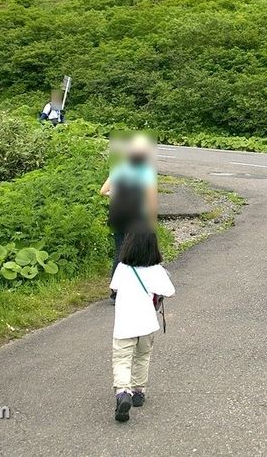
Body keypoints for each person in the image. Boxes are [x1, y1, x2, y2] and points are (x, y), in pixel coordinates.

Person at [109, 228, 174, 422]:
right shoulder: (156, 270)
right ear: (153, 248)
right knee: (142, 357)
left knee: (122, 359)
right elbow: (170, 291)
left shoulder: (122, 267)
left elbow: (114, 287)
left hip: (123, 325)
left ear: (128, 247)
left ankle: (122, 393)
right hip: (146, 324)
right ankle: (138, 392)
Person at [100, 134, 158, 300]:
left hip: (117, 215)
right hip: (135, 216)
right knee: (134, 251)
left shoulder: (119, 169)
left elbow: (103, 191)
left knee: (119, 252)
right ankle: (133, 289)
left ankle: (115, 291)